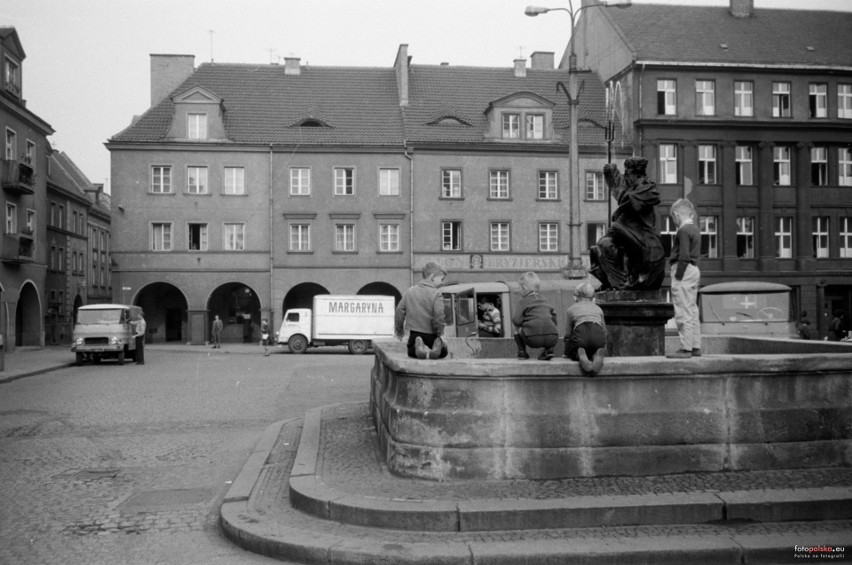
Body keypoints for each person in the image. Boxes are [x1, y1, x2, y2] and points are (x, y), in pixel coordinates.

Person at [589, 157, 666, 291]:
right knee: (601, 246)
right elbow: (618, 184)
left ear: (634, 174)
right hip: (626, 233)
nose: (626, 177)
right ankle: (615, 283)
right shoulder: (630, 185)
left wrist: (621, 209)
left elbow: (647, 198)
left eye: (628, 174)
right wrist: (610, 171)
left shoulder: (647, 186)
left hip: (644, 238)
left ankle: (622, 283)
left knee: (615, 228)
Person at [667, 198, 702, 359]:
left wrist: (678, 276)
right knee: (692, 309)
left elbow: (684, 255)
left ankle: (685, 348)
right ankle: (695, 346)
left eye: (673, 219)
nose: (673, 222)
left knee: (682, 309)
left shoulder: (683, 231)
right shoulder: (695, 229)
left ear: (676, 215)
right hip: (694, 269)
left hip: (683, 270)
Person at [395, 261, 449, 359]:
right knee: (444, 352)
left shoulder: (410, 291)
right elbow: (439, 314)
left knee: (411, 352)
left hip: (414, 333)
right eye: (442, 279)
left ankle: (418, 344)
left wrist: (399, 331)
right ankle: (437, 344)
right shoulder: (436, 294)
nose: (443, 282)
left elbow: (399, 310)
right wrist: (440, 333)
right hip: (432, 334)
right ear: (433, 277)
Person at [512, 271, 558, 361]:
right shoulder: (546, 300)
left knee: (516, 329)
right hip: (552, 338)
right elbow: (555, 320)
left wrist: (525, 323)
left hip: (532, 339)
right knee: (551, 327)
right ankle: (549, 350)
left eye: (519, 288)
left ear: (524, 289)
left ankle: (522, 352)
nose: (519, 290)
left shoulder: (523, 302)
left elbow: (516, 320)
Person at [564, 282, 607, 375]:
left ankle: (579, 355)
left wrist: (567, 352)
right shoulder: (598, 309)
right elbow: (604, 331)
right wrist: (603, 345)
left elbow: (568, 334)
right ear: (594, 298)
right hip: (597, 334)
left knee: (576, 349)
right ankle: (597, 353)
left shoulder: (571, 309)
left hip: (581, 335)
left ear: (575, 297)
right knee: (594, 347)